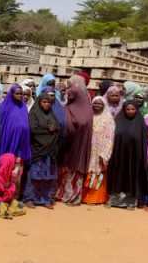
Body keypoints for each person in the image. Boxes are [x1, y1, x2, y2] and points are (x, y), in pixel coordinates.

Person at [56, 76, 94, 205]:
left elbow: (80, 123)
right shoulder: (71, 106)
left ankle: (73, 196)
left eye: (71, 87)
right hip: (69, 145)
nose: (69, 92)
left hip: (78, 146)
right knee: (66, 170)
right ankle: (62, 194)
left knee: (75, 171)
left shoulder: (84, 110)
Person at [107, 101, 148, 209]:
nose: (130, 111)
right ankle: (115, 201)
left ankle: (130, 202)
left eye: (133, 109)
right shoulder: (118, 120)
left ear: (136, 110)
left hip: (134, 156)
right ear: (124, 110)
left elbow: (144, 141)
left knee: (131, 176)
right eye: (128, 109)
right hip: (119, 155)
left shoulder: (140, 122)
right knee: (118, 175)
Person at [24, 94, 60, 208]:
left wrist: (55, 129)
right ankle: (30, 198)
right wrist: (49, 130)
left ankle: (46, 199)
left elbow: (58, 128)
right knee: (34, 175)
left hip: (50, 151)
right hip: (38, 149)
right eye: (44, 102)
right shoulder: (34, 114)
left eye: (49, 102)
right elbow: (33, 130)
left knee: (48, 176)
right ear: (39, 102)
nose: (47, 104)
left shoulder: (52, 114)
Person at [82, 96, 116, 205]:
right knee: (88, 171)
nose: (97, 105)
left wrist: (105, 153)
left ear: (104, 105)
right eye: (95, 103)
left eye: (99, 104)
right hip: (89, 149)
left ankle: (96, 198)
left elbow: (111, 137)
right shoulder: (89, 116)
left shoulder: (108, 119)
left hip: (101, 150)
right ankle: (85, 196)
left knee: (98, 172)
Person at [0, 84, 31, 164]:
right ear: (12, 94)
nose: (20, 96)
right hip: (8, 139)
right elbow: (1, 123)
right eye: (17, 94)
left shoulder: (23, 107)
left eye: (21, 94)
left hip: (21, 141)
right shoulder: (4, 107)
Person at [0, 153, 25, 218]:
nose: (13, 165)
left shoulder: (9, 174)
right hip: (0, 199)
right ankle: (6, 212)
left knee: (19, 205)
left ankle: (8, 210)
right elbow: (0, 191)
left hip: (8, 199)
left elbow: (12, 189)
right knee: (2, 205)